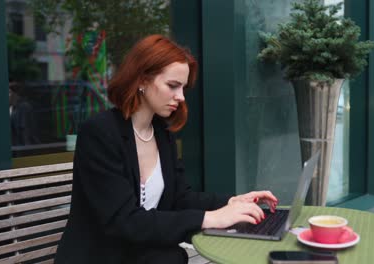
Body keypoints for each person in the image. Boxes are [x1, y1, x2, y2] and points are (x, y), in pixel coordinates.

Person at [55, 34, 278, 264]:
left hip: (142, 255)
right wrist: (209, 218)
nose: (180, 97)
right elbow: (123, 221)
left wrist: (231, 203)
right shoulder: (100, 133)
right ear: (141, 80)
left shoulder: (161, 134)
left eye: (183, 88)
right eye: (173, 86)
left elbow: (181, 198)